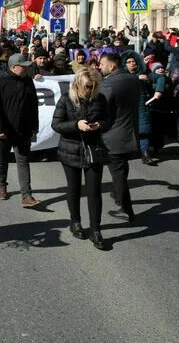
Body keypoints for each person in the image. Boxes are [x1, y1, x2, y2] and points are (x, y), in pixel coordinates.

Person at [51, 68, 110, 250]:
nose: (90, 91)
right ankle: (75, 222)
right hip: (71, 149)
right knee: (74, 188)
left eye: (94, 87)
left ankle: (96, 229)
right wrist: (76, 125)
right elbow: (56, 124)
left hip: (93, 149)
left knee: (94, 191)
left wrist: (100, 124)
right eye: (87, 87)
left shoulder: (99, 99)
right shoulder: (66, 99)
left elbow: (108, 119)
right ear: (78, 84)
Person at [0, 53, 40, 207]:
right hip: (4, 130)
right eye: (23, 66)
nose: (26, 69)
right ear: (13, 67)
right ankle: (2, 186)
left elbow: (33, 105)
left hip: (23, 130)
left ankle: (27, 196)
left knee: (23, 161)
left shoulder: (28, 81)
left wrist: (34, 126)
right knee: (2, 160)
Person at [98, 53, 139, 222]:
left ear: (112, 66)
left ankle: (125, 208)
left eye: (101, 64)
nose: (99, 67)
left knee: (118, 173)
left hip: (113, 136)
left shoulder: (108, 84)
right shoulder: (133, 79)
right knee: (122, 169)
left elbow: (101, 108)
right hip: (130, 132)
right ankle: (117, 194)